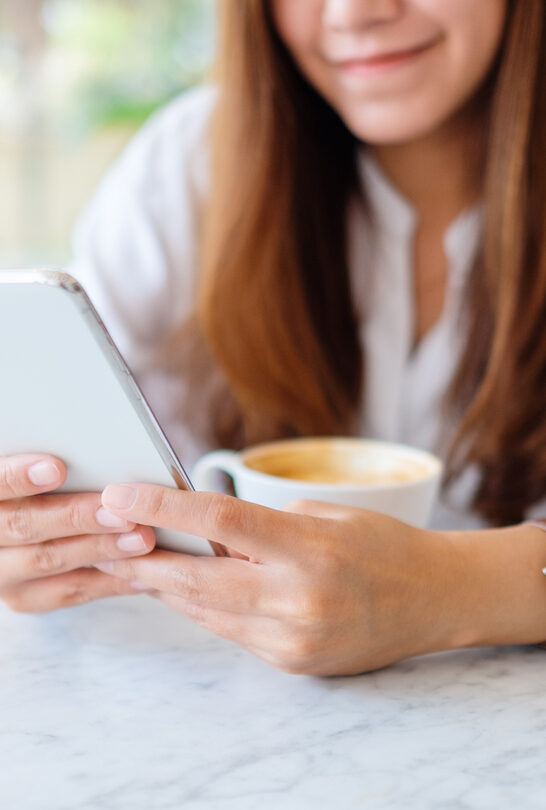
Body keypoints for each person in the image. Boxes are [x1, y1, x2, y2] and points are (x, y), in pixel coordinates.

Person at [1, 0, 545, 676]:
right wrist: (29, 528)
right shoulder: (193, 166)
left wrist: (453, 588)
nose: (355, 13)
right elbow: (39, 395)